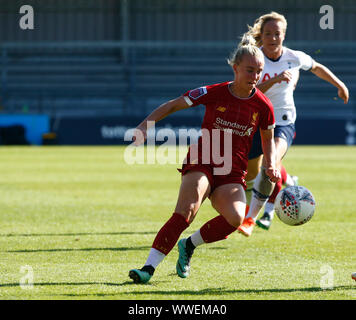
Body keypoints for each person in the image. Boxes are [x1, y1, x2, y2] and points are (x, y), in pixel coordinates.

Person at [128, 36, 280, 284]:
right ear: (235, 68)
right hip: (203, 160)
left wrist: (271, 164)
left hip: (232, 172)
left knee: (235, 219)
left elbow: (267, 139)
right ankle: (148, 268)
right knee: (187, 211)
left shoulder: (264, 106)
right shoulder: (214, 92)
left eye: (259, 72)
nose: (255, 76)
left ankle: (188, 245)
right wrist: (145, 126)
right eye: (249, 70)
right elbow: (173, 105)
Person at [237, 11, 349, 237]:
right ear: (262, 35)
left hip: (282, 122)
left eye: (277, 33)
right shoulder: (255, 59)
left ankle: (252, 218)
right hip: (256, 123)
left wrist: (340, 84)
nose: (273, 38)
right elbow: (249, 91)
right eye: (268, 33)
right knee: (249, 175)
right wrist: (277, 80)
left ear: (284, 35)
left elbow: (316, 66)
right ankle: (280, 186)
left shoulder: (293, 56)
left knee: (271, 164)